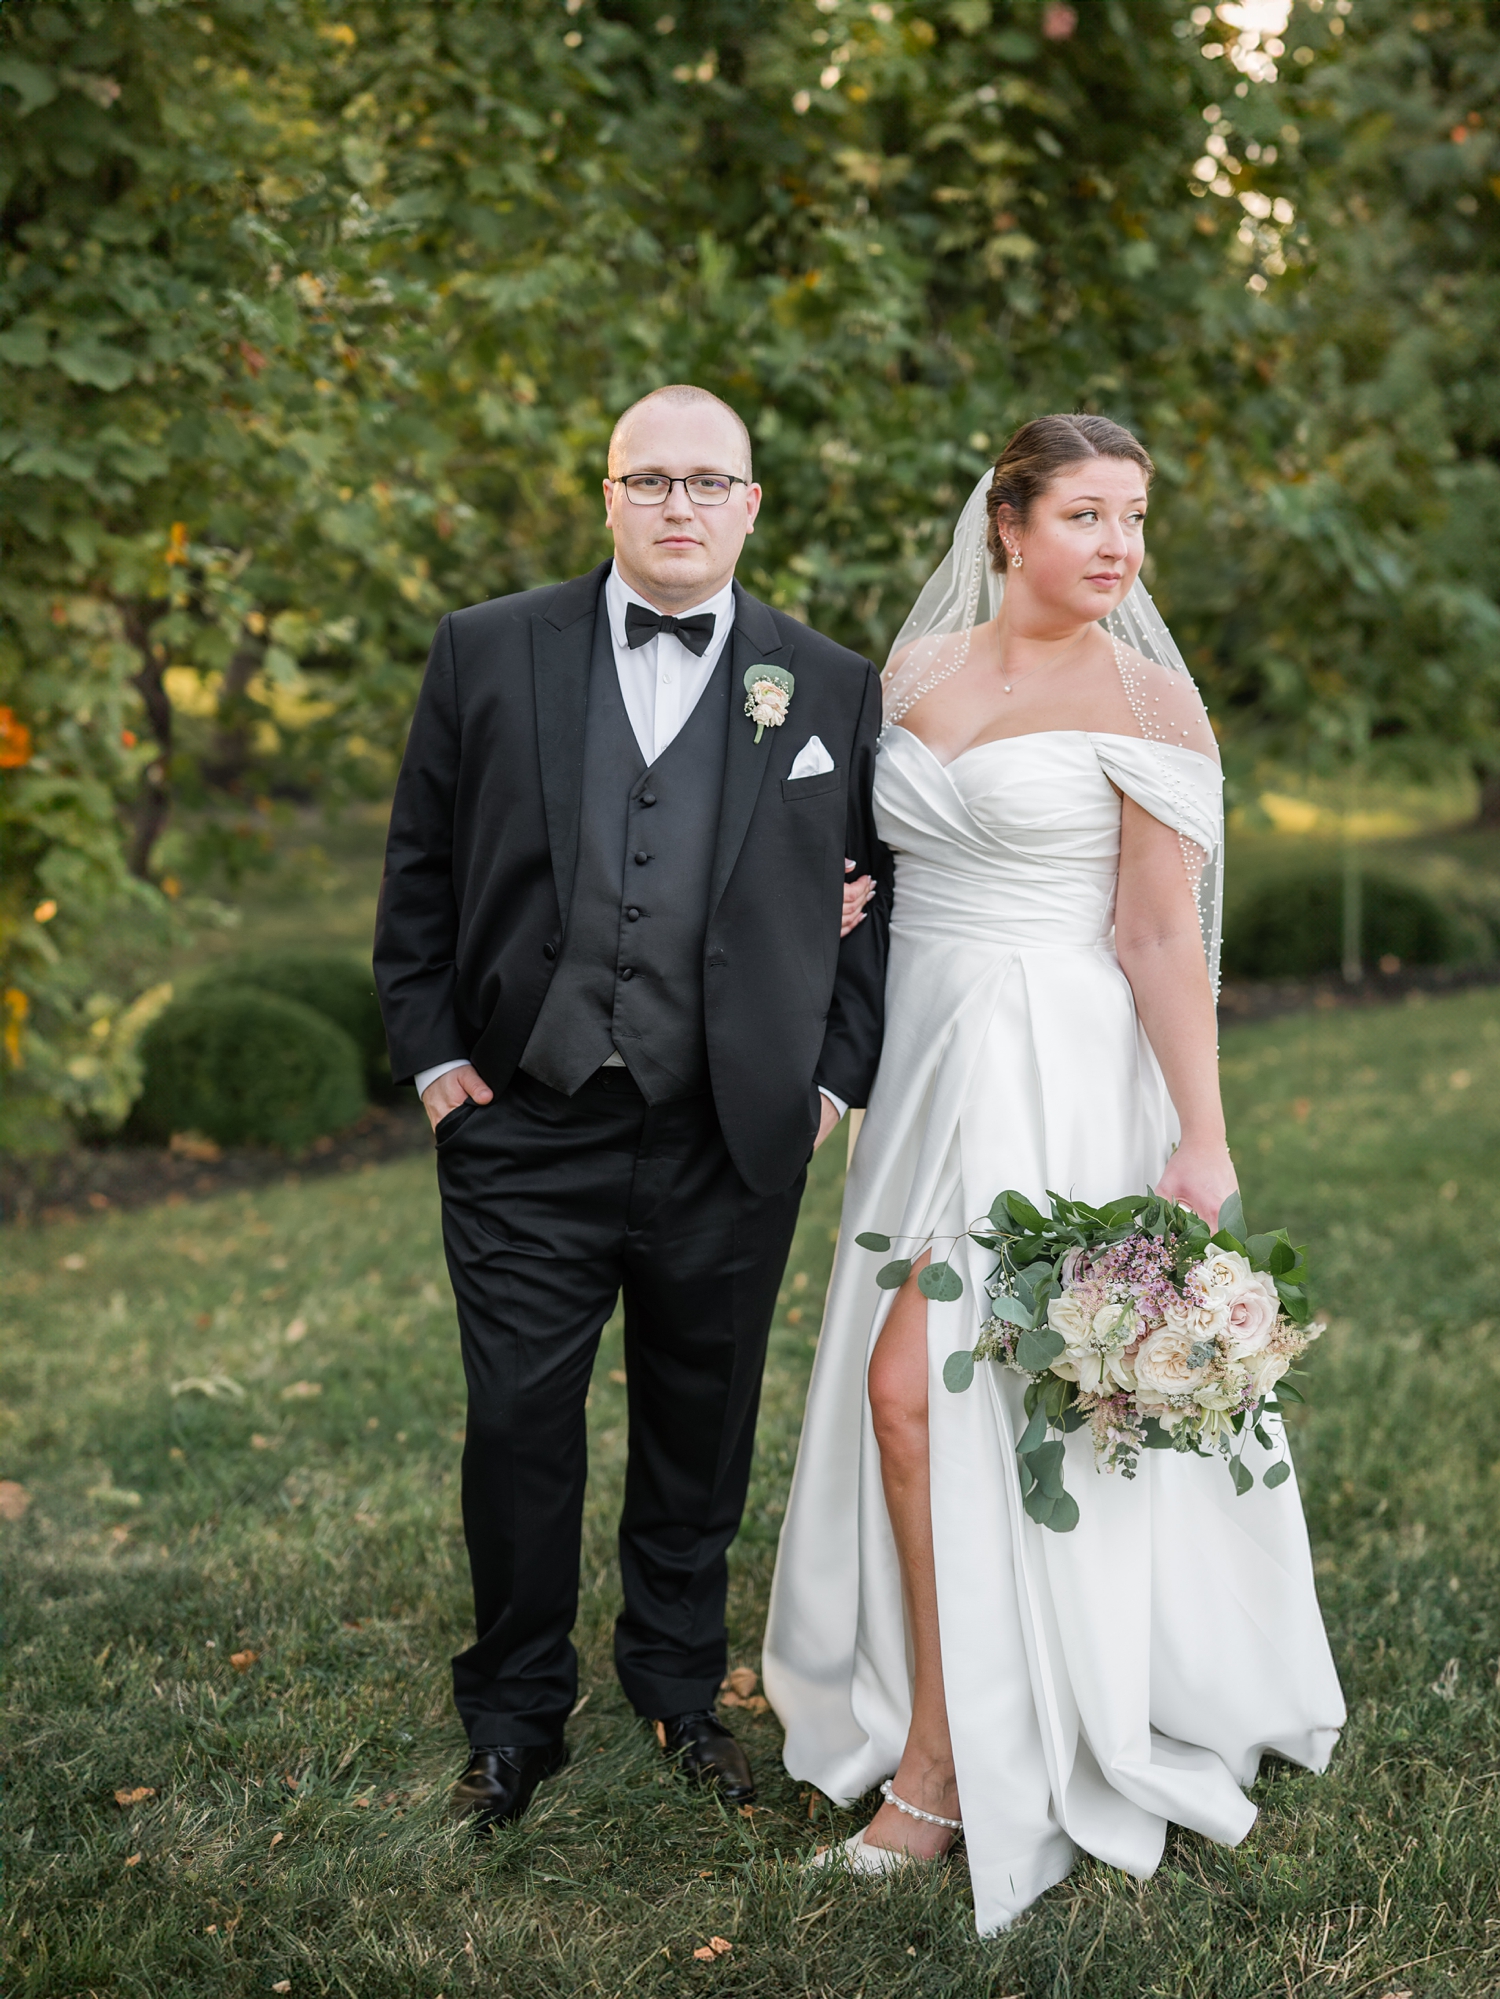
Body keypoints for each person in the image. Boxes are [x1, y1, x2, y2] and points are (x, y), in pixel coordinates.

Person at [763, 414, 1344, 1934]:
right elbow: (872, 869)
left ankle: (948, 1772)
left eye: (1135, 517)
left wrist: (1201, 1141)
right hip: (924, 1065)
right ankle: (948, 1709)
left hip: (1061, 1071)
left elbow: (1158, 934)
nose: (1118, 547)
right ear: (1006, 525)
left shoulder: (1150, 701)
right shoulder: (916, 680)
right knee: (916, 1396)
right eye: (1087, 513)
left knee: (936, 1391)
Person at [373, 384, 889, 1830]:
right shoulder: (488, 648)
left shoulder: (828, 683)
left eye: (706, 481)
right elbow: (416, 867)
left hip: (735, 1127)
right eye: (648, 479)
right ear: (605, 495)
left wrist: (833, 1079)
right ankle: (515, 1717)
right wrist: (433, 1064)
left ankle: (676, 1692)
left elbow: (880, 897)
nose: (677, 504)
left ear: (749, 505)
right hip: (522, 1116)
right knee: (519, 1421)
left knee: (700, 1422)